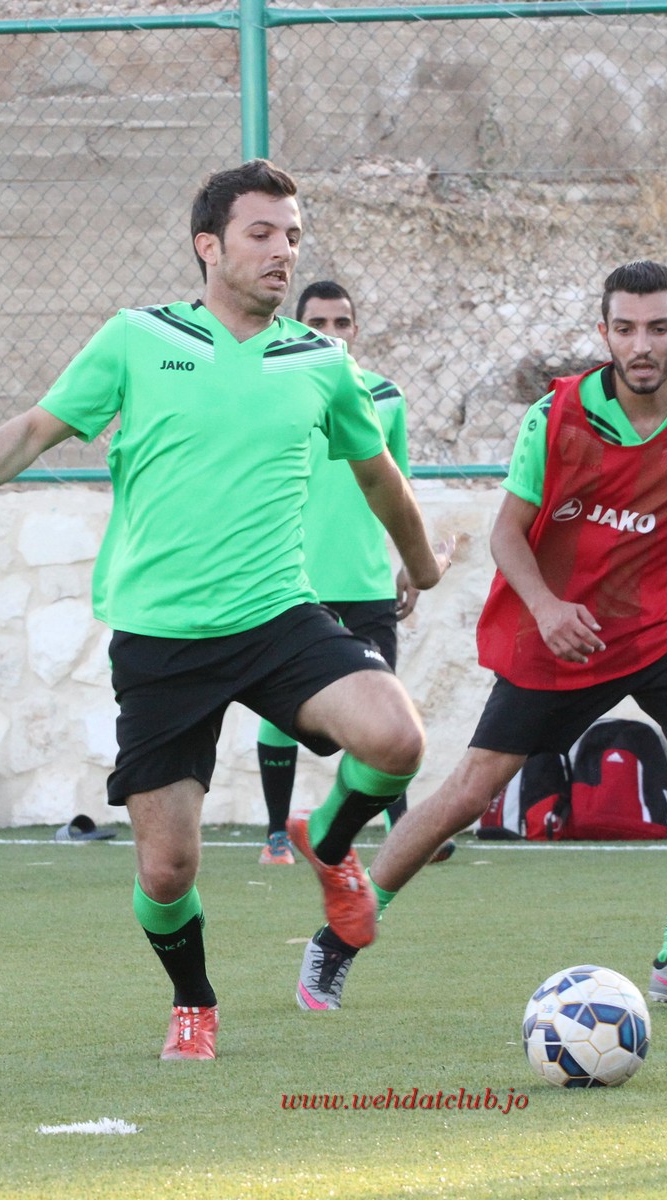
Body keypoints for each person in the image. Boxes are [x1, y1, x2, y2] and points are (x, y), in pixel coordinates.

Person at [0, 159, 449, 1060]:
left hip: (276, 616)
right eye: (261, 234)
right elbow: (36, 428)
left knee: (395, 738)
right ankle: (193, 1000)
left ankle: (332, 846)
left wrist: (421, 568)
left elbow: (380, 476)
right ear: (208, 246)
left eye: (292, 236)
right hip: (162, 639)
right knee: (167, 868)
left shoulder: (319, 362)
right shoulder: (137, 338)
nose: (282, 252)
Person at [299, 259, 667, 1012]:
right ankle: (339, 937)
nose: (642, 345)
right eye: (625, 329)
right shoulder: (555, 417)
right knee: (470, 791)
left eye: (657, 328)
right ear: (604, 334)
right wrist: (548, 609)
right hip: (561, 636)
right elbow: (507, 534)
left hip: (662, 625)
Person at [255, 280, 456, 870]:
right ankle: (276, 836)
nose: (331, 334)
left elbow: (397, 485)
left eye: (341, 323)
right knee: (281, 713)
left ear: (356, 330)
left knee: (385, 709)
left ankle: (401, 829)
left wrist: (413, 563)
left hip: (367, 583)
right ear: (294, 328)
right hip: (293, 583)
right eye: (317, 323)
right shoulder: (272, 391)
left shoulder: (385, 395)